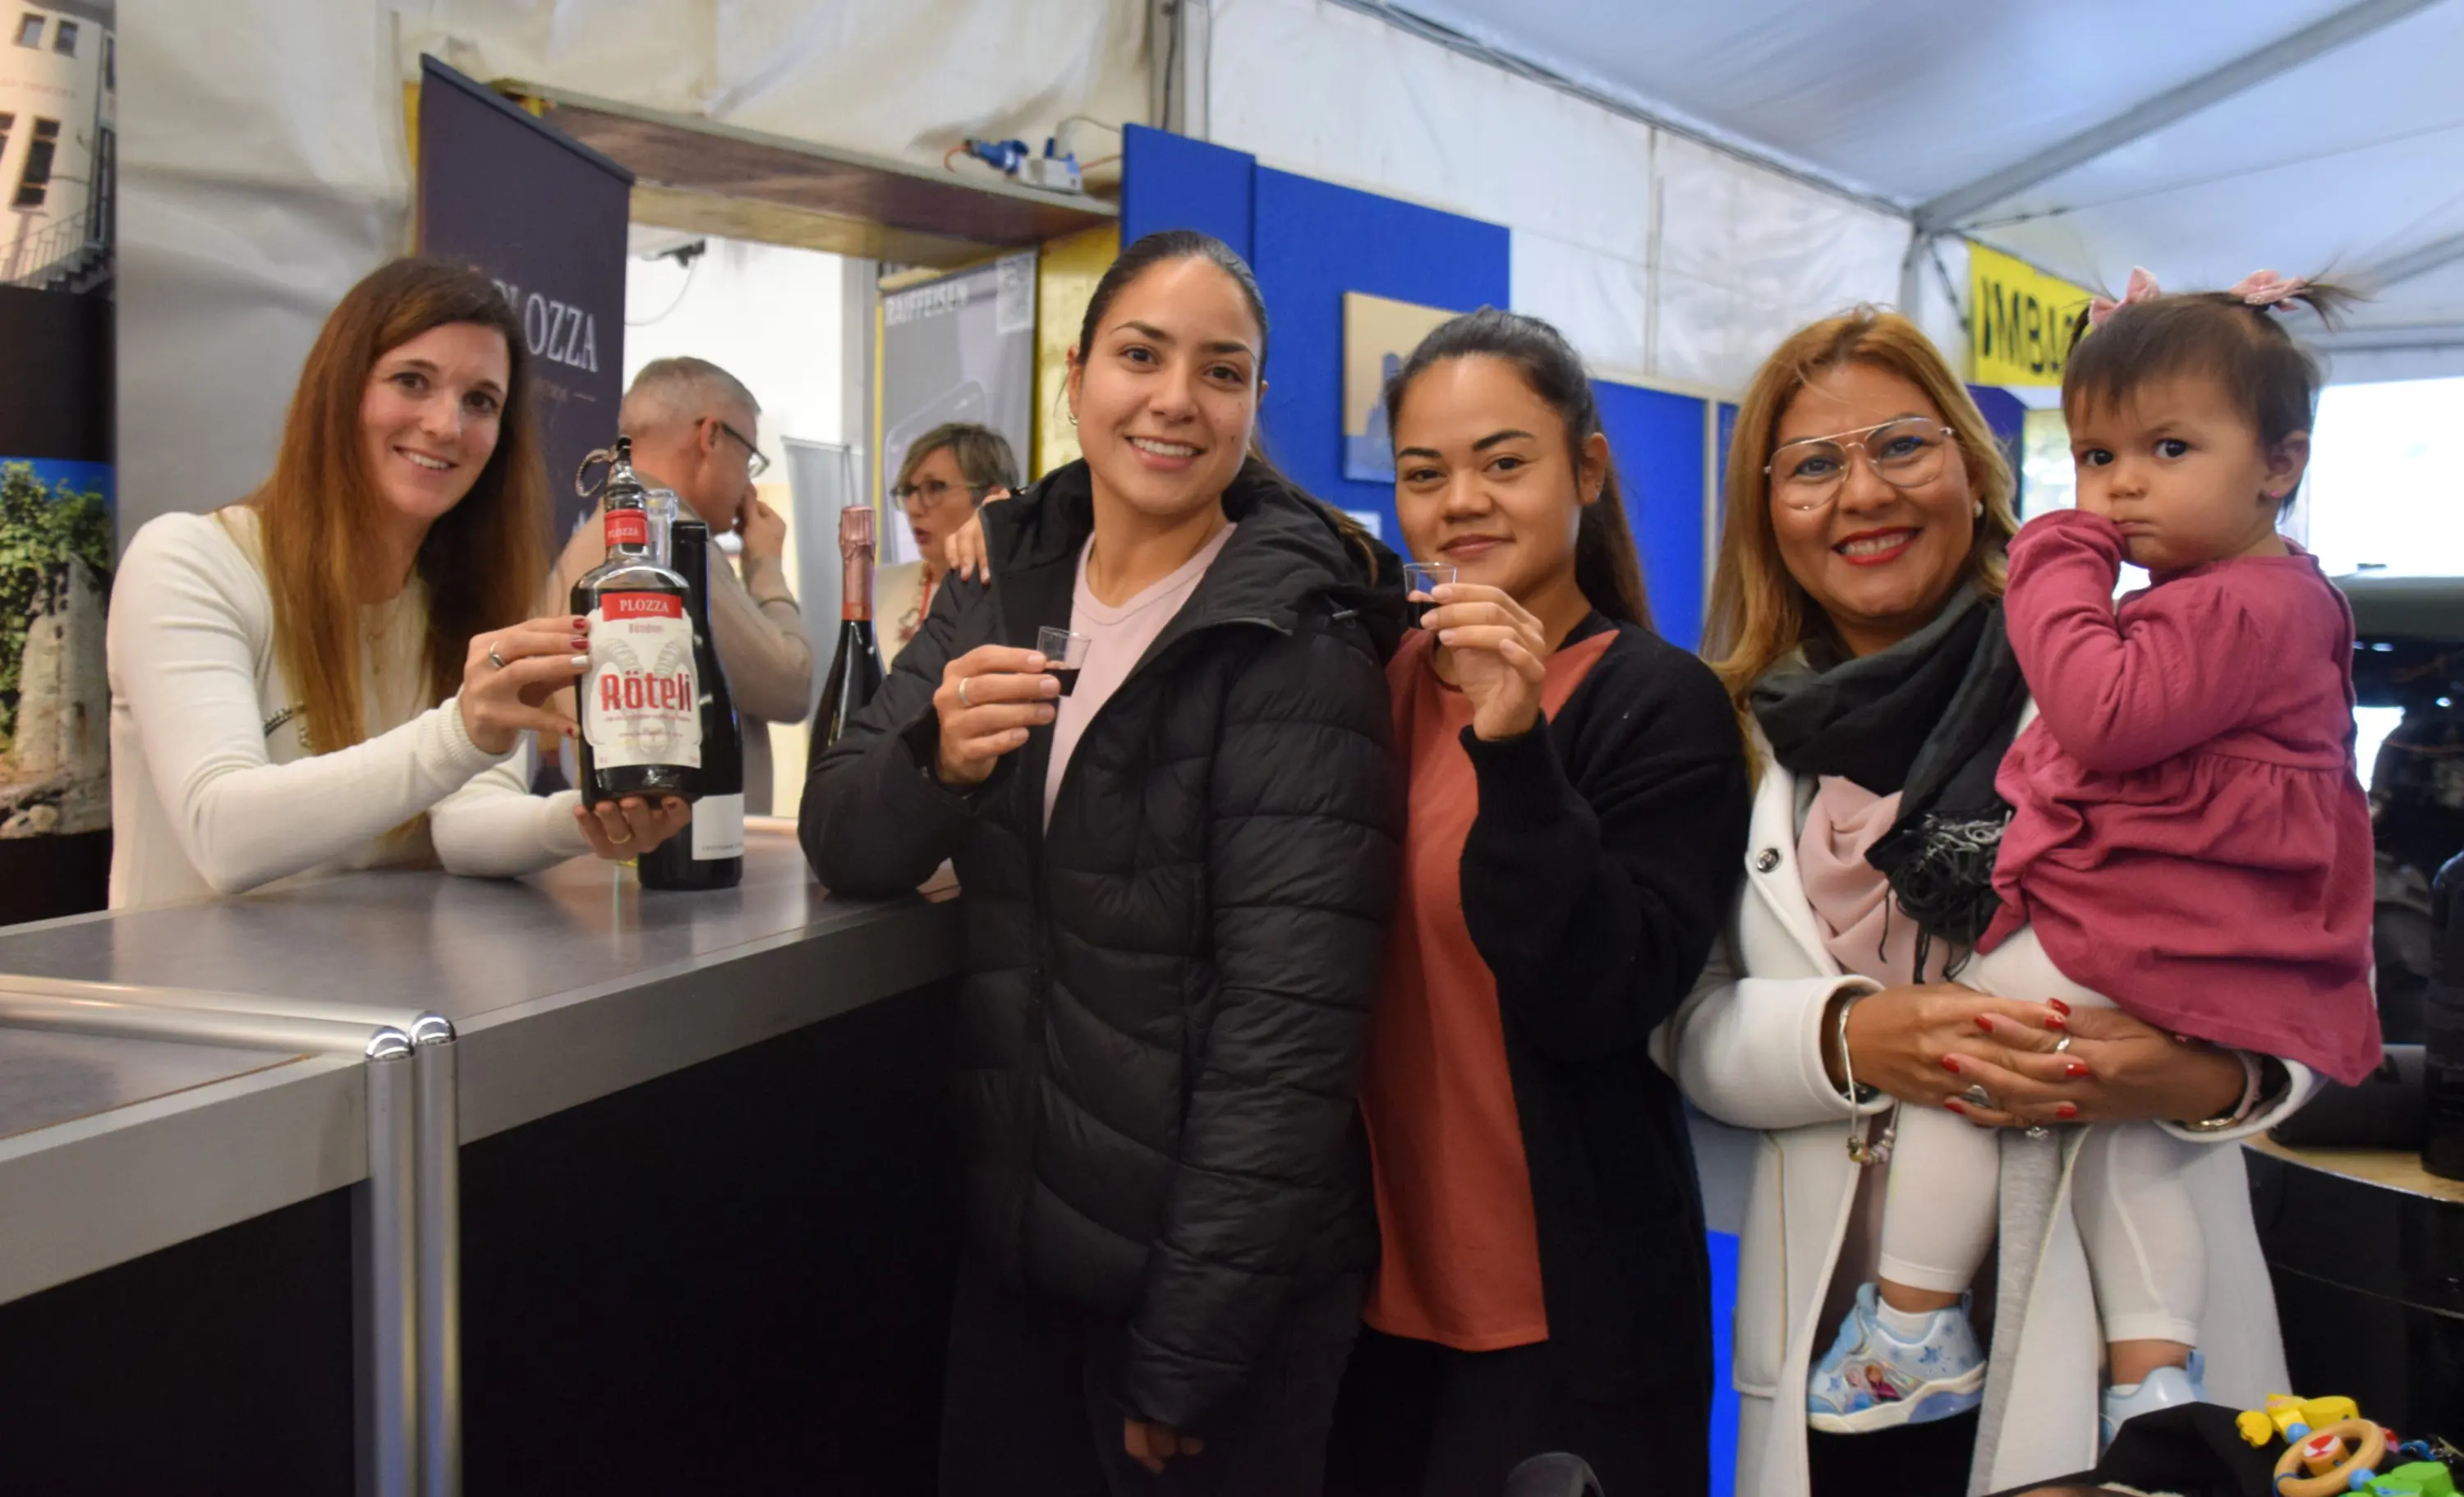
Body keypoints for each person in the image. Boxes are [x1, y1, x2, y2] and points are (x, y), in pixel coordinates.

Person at [1659, 307, 2318, 1497]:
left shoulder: (2140, 666)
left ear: (1974, 463)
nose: (1862, 492)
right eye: (1813, 464)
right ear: (1768, 510)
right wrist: (1852, 1034)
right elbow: (1684, 1021)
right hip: (1844, 1339)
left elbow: (2318, 948)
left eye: (1902, 445)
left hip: (2114, 1319)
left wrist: (2207, 1076)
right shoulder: (1734, 729)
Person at [800, 229, 1402, 1496]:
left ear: (1252, 406)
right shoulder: (1002, 577)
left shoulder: (1295, 628)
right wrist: (941, 762)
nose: (1177, 398)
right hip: (1020, 1262)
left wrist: (1189, 1351)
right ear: (1078, 377)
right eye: (1142, 353)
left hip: (1195, 1302)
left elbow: (1287, 1029)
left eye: (1221, 370)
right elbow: (843, 834)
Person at [1826, 269, 2376, 1444]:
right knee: (2135, 1151)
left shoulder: (2215, 606)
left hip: (2138, 936)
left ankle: (1910, 1326)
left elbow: (2102, 715)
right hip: (2179, 947)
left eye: (2168, 447)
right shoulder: (2266, 603)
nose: (2121, 484)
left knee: (1967, 1051)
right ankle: (2154, 1372)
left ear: (2280, 464)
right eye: (2092, 456)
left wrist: (2055, 562)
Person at [1326, 309, 1749, 1497]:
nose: (1462, 499)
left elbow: (1597, 993)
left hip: (1564, 1329)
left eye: (1504, 461)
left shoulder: (1658, 706)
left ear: (1589, 467)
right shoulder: (1370, 674)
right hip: (1363, 1312)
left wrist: (1513, 745)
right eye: (1424, 473)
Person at [108, 257, 687, 908]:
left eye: (480, 401)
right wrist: (460, 731)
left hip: (371, 999)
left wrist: (590, 818)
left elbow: (467, 825)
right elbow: (223, 835)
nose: (447, 425)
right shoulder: (189, 561)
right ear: (341, 391)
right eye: (412, 381)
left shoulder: (468, 595)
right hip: (190, 1003)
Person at [545, 357, 812, 812]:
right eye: (748, 457)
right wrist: (765, 564)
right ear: (711, 436)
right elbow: (790, 683)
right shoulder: (667, 545)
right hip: (685, 850)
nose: (749, 482)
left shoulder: (592, 543)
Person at [879, 422, 1019, 667]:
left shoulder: (1019, 597)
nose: (913, 508)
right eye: (908, 491)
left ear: (991, 499)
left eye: (935, 487)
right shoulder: (878, 586)